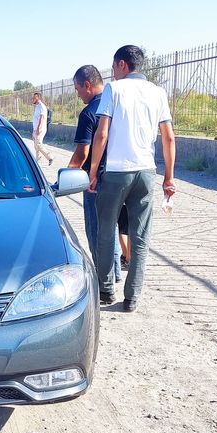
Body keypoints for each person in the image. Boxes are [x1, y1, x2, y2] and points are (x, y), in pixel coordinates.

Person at [88, 45, 176, 312]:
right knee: (140, 236)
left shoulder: (115, 90)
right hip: (146, 172)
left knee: (106, 231)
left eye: (114, 67)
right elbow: (169, 137)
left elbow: (102, 134)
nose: (113, 72)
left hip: (116, 171)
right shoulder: (158, 93)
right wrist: (169, 178)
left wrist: (93, 171)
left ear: (123, 65)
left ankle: (105, 290)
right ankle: (132, 297)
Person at [67, 65, 124, 284]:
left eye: (77, 88)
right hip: (119, 177)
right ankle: (116, 274)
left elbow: (83, 152)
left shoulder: (90, 112)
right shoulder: (116, 106)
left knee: (97, 232)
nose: (77, 93)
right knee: (112, 228)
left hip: (95, 182)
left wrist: (67, 176)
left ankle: (103, 281)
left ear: (87, 85)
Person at [31, 92, 53, 166]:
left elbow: (42, 118)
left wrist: (38, 129)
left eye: (35, 97)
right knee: (36, 146)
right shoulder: (37, 106)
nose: (33, 99)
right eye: (33, 97)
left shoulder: (42, 106)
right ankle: (38, 162)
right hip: (35, 129)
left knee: (39, 145)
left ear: (38, 98)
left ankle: (50, 157)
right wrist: (34, 130)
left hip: (40, 129)